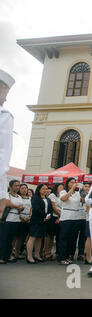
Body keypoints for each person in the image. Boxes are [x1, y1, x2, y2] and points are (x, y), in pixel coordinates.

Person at [0, 69, 15, 222]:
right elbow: (2, 158)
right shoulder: (3, 116)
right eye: (6, 92)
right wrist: (2, 194)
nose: (5, 98)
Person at [0, 180, 24, 263]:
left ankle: (8, 256)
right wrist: (18, 207)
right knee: (4, 238)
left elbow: (21, 206)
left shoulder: (19, 196)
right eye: (15, 185)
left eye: (18, 186)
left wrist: (20, 208)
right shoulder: (7, 194)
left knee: (11, 239)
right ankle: (1, 257)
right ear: (11, 186)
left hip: (16, 219)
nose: (17, 187)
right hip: (7, 219)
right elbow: (8, 203)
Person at [27, 184, 52, 263]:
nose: (45, 190)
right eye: (43, 189)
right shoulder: (35, 198)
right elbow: (36, 208)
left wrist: (49, 216)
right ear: (39, 189)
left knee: (40, 238)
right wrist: (44, 216)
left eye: (46, 189)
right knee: (33, 237)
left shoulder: (48, 199)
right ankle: (29, 256)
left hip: (44, 221)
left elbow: (50, 209)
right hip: (36, 220)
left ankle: (37, 255)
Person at [45, 183, 63, 260]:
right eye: (60, 187)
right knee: (50, 236)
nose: (62, 188)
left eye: (63, 187)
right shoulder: (52, 195)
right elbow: (54, 207)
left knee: (59, 236)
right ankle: (47, 253)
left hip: (62, 217)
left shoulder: (63, 196)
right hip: (54, 217)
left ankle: (58, 253)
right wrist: (59, 215)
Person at [16, 184, 31, 259]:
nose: (24, 190)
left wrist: (29, 217)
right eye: (22, 188)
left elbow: (32, 208)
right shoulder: (18, 198)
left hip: (28, 218)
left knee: (23, 237)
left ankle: (18, 252)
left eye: (26, 188)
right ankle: (13, 252)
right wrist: (21, 217)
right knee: (17, 237)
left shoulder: (30, 198)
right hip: (19, 218)